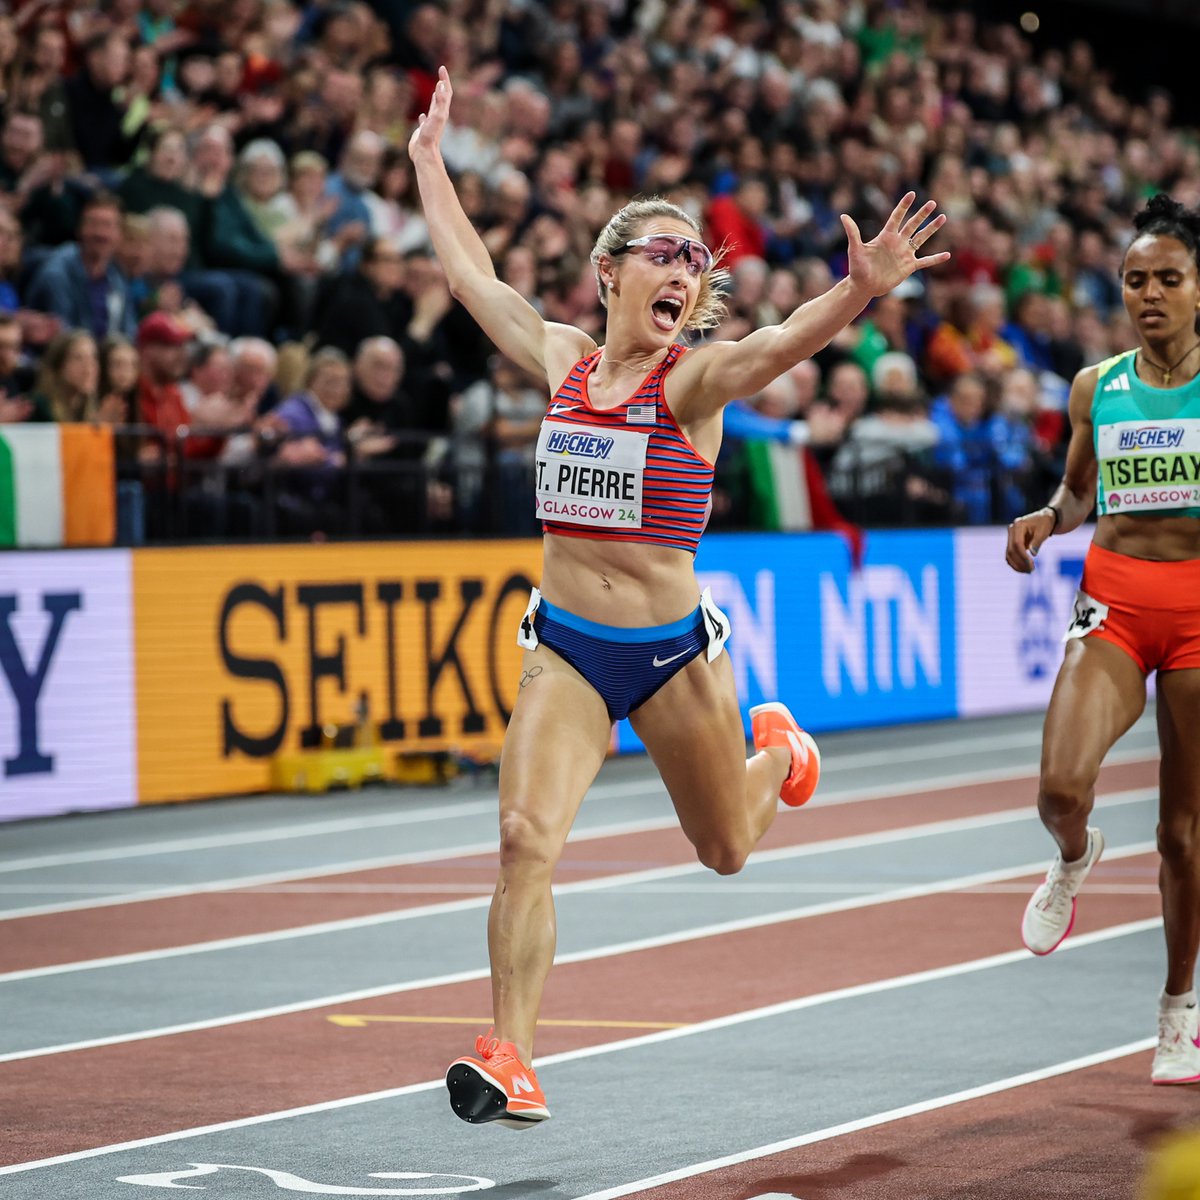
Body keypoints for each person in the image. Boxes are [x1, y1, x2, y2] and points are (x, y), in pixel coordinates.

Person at [410, 66, 948, 1129]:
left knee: (726, 851)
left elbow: (777, 344)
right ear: (608, 272)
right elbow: (471, 278)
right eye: (666, 253)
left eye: (698, 262)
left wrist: (860, 291)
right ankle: (512, 1055)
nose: (687, 273)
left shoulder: (690, 383)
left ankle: (780, 754)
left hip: (669, 658)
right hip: (566, 649)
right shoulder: (562, 361)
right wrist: (429, 161)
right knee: (522, 836)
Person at [1006, 193, 1200, 1087]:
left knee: (1182, 835)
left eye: (1168, 278)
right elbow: (1081, 490)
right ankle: (1074, 854)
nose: (1149, 294)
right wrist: (1049, 518)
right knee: (1059, 786)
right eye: (1135, 279)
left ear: (1198, 289)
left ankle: (1177, 1011)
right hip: (1115, 600)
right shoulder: (1096, 386)